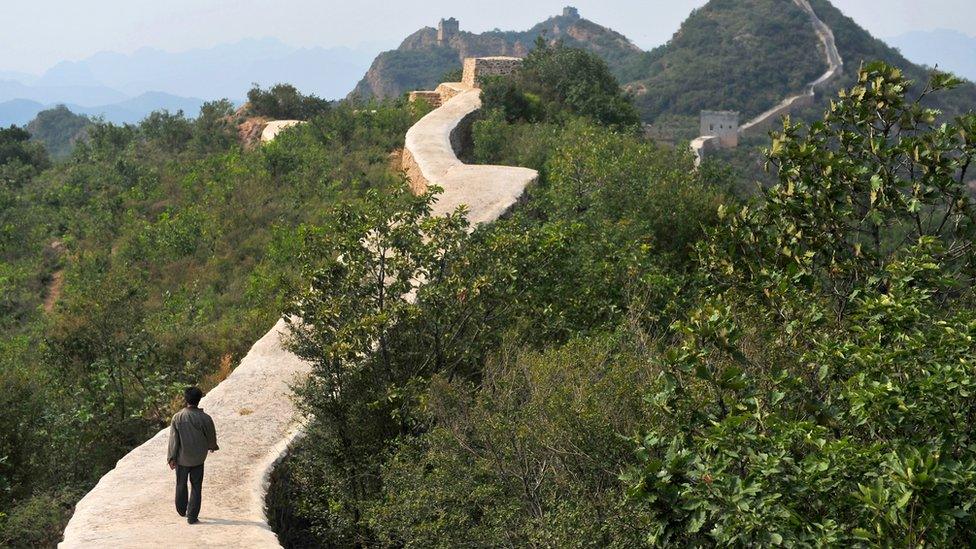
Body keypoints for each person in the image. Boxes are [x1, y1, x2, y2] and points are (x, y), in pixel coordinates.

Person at [167, 386, 219, 524]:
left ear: (186, 399)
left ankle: (181, 510)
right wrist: (212, 446)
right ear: (199, 399)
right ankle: (192, 516)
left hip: (182, 459)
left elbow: (173, 440)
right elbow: (211, 436)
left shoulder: (177, 417)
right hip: (198, 458)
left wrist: (171, 458)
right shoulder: (206, 418)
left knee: (181, 484)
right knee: (196, 486)